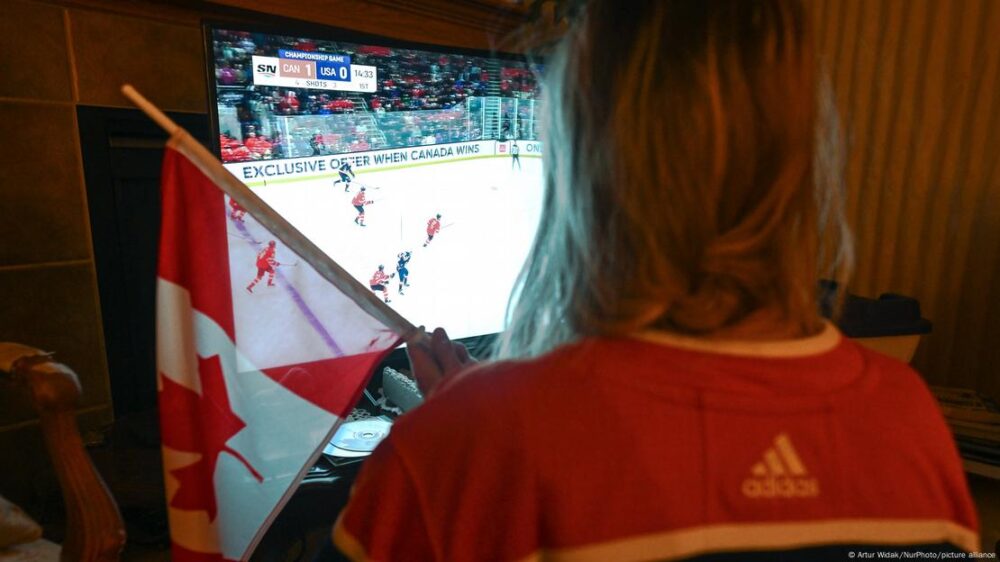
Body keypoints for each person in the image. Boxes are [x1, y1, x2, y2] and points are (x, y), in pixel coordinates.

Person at [334, 1, 979, 560]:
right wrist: (485, 413)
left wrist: (470, 428)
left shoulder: (467, 449)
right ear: (795, 156)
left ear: (578, 153)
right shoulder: (912, 421)